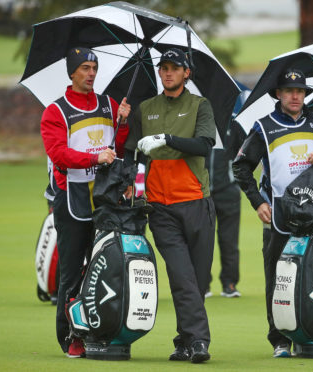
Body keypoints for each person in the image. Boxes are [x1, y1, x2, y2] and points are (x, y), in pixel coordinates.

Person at [233, 68, 313, 358]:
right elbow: (240, 167)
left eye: (300, 91)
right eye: (289, 91)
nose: (295, 96)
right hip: (279, 214)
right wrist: (257, 202)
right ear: (278, 94)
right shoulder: (263, 127)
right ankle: (279, 339)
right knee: (279, 278)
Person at [123, 48, 216, 364]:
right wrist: (124, 122)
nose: (167, 72)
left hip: (196, 203)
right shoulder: (145, 108)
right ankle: (200, 342)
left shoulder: (200, 106)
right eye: (163, 68)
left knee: (197, 281)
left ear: (186, 72)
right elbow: (130, 151)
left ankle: (183, 340)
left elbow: (205, 145)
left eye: (174, 68)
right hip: (160, 207)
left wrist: (168, 139)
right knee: (181, 276)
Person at [40, 47, 131, 358]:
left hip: (106, 198)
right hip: (72, 199)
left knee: (103, 269)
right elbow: (59, 154)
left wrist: (122, 124)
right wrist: (95, 157)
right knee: (73, 271)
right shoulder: (55, 111)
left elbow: (116, 148)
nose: (91, 73)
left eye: (94, 67)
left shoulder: (109, 104)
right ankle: (69, 338)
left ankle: (99, 331)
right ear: (72, 72)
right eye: (85, 68)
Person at [207, 147, 241, 298]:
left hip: (229, 193)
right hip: (202, 193)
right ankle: (203, 284)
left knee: (229, 240)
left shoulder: (232, 127)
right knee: (202, 241)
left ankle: (229, 283)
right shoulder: (200, 126)